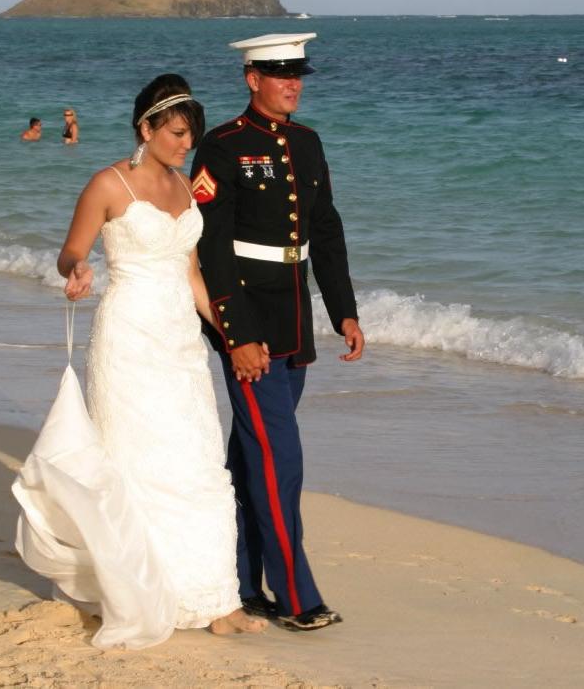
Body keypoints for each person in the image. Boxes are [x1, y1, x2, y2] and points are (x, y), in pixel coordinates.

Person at [20, 74, 265, 647]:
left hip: (179, 341)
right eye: (177, 133)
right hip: (128, 337)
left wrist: (230, 335)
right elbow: (72, 249)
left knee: (200, 461)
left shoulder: (183, 189)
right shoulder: (109, 184)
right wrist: (76, 270)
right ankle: (144, 590)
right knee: (139, 463)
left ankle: (216, 600)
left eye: (192, 135)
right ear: (146, 127)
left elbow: (192, 272)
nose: (186, 144)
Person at [190, 33, 364, 632]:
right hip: (248, 322)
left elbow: (326, 230)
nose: (293, 83)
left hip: (295, 316)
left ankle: (242, 584)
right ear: (251, 79)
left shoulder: (308, 143)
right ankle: (295, 597)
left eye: (298, 74)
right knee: (280, 459)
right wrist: (234, 333)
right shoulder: (222, 146)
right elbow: (210, 245)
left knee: (252, 457)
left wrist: (344, 309)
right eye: (279, 73)